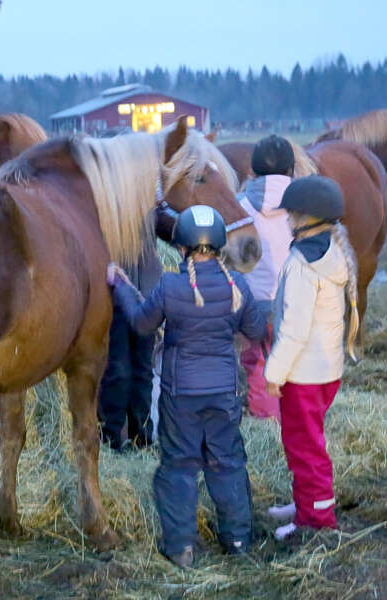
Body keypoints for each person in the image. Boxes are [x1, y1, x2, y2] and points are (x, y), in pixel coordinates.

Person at [107, 205, 267, 567]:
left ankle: (181, 548)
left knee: (178, 466)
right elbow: (256, 330)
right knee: (227, 463)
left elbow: (140, 324)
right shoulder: (236, 286)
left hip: (181, 396)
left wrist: (122, 287)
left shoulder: (171, 284)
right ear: (220, 246)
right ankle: (238, 540)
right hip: (225, 392)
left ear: (181, 247)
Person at [263, 175, 360, 539]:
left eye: (291, 213)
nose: (287, 219)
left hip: (304, 374)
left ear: (307, 218)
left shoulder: (305, 264)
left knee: (306, 448)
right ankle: (306, 501)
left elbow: (295, 328)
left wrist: (274, 372)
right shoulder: (330, 251)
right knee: (302, 442)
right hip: (323, 370)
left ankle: (316, 519)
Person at [237, 134, 296, 419]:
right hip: (295, 303)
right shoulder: (304, 208)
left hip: (253, 307)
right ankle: (297, 419)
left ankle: (266, 423)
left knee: (258, 364)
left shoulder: (238, 208)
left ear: (252, 172)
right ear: (291, 172)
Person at [98, 238, 161, 451]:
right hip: (112, 297)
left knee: (143, 372)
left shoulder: (148, 206)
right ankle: (110, 440)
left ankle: (141, 439)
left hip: (147, 297)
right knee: (117, 371)